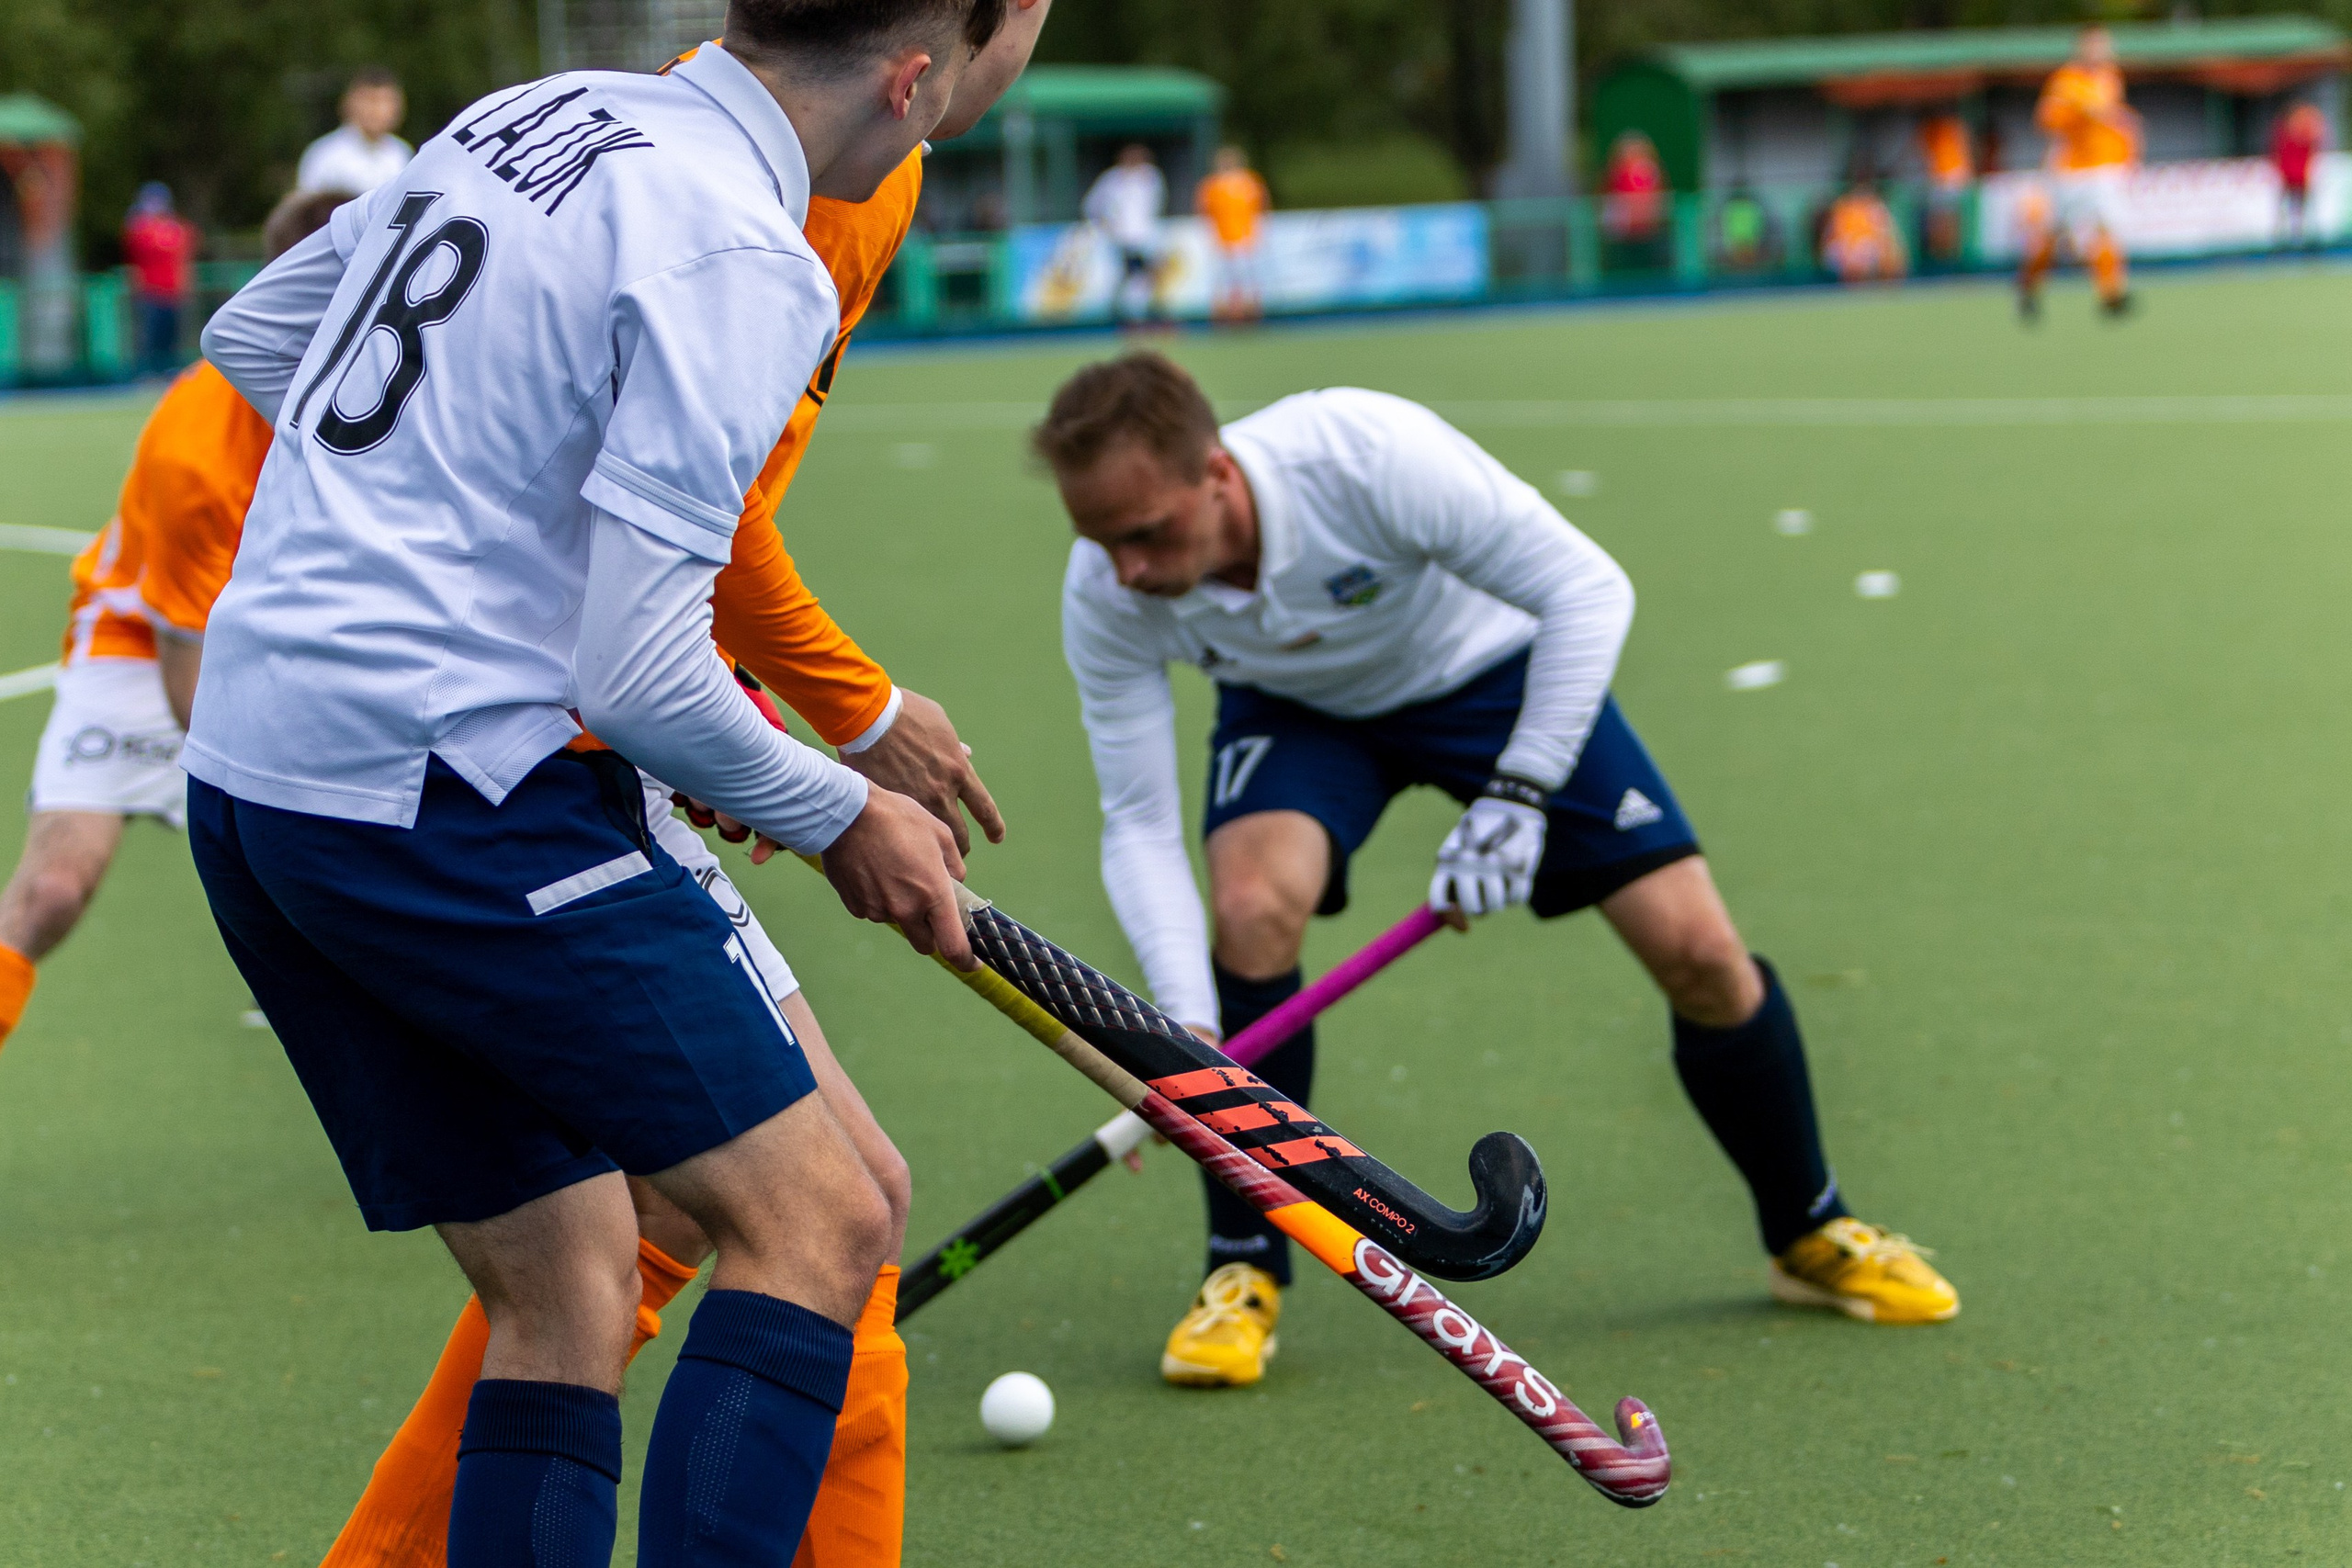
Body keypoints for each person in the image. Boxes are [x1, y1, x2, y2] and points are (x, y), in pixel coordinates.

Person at [189, 2, 1005, 1560]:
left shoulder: (532, 109)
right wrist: (845, 811)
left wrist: (469, 549)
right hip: (447, 797)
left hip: (256, 777)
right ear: (915, 82)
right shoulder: (747, 247)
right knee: (821, 1217)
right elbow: (637, 679)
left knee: (567, 1287)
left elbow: (256, 332)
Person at [1040, 353, 1960, 1390]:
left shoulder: (1364, 456)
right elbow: (1138, 819)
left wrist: (1520, 792)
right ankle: (1243, 1265)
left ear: (1215, 472)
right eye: (1102, 542)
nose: (1127, 570)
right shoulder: (1108, 585)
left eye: (1147, 533)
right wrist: (1186, 1036)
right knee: (1250, 909)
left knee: (1699, 951)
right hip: (1299, 712)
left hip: (1495, 677)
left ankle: (1808, 1229)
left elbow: (1586, 586)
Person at [0, 187, 349, 1057]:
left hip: (299, 628)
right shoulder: (199, 455)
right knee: (51, 891)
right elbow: (190, 682)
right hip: (146, 643)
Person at [2021, 24, 2139, 320]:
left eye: (2104, 46)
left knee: (2108, 229)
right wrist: (2081, 110)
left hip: (2104, 168)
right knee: (2050, 237)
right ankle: (2029, 289)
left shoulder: (2110, 77)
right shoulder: (2065, 81)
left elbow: (2113, 116)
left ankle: (2111, 294)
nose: (2101, 52)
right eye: (2094, 46)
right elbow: (2046, 120)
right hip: (2069, 172)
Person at [120, 183, 198, 376]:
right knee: (149, 337)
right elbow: (135, 248)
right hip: (150, 293)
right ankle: (147, 372)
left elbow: (184, 254)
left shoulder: (177, 228)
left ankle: (170, 371)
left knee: (172, 338)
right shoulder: (140, 229)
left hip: (174, 292)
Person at [298, 67, 414, 195]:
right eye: (371, 100)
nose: (378, 109)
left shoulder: (401, 154)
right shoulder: (325, 155)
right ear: (349, 103)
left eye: (386, 101)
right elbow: (309, 204)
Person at [1082, 142, 1164, 324]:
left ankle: (1141, 315)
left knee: (1146, 277)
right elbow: (1092, 205)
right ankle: (1123, 316)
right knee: (1126, 276)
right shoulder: (1111, 180)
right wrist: (1105, 224)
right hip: (1121, 238)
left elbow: (1155, 204)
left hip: (1145, 237)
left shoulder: (1151, 176)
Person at [1194, 144, 1269, 323]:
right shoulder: (1211, 185)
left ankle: (1251, 315)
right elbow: (1204, 210)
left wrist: (1258, 232)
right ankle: (1224, 317)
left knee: (1248, 278)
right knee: (1223, 280)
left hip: (1246, 238)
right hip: (1222, 239)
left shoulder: (1250, 182)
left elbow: (1261, 206)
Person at [1821, 178, 1906, 285]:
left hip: (1868, 249)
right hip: (1847, 250)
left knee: (1873, 249)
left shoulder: (1875, 208)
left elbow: (1887, 235)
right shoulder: (1842, 208)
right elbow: (1831, 237)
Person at [1917, 108, 1973, 264]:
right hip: (1942, 179)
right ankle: (1942, 253)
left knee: (1952, 218)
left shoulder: (1952, 126)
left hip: (1953, 177)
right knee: (1941, 217)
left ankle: (1953, 253)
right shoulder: (1929, 129)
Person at [2271, 101, 2325, 249]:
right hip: (2289, 174)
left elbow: (2314, 142)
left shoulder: (2305, 133)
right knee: (2286, 207)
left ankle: (2304, 235)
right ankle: (2282, 236)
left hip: (2300, 175)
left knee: (2304, 206)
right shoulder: (2285, 133)